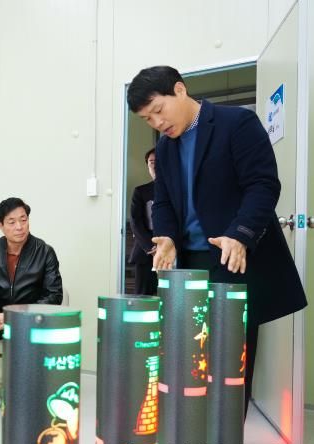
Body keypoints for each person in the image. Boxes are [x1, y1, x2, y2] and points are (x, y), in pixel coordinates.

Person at [126, 65, 307, 412]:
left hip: (230, 258)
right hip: (188, 266)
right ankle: (190, 435)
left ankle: (226, 442)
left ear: (180, 90)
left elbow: (262, 185)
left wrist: (240, 234)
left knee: (229, 364)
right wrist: (167, 237)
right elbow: (163, 201)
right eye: (148, 119)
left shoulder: (236, 123)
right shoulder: (165, 148)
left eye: (159, 110)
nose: (158, 123)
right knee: (188, 359)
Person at [0, 197, 63, 414]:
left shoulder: (44, 251)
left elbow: (54, 295)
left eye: (23, 219)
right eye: (12, 222)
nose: (19, 226)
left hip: (30, 319)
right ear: (1, 226)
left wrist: (17, 317)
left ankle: (30, 390)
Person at [128, 148, 158, 295]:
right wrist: (152, 248)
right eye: (151, 162)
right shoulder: (141, 191)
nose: (155, 165)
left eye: (158, 162)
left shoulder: (178, 190)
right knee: (144, 299)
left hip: (174, 252)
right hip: (146, 254)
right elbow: (136, 223)